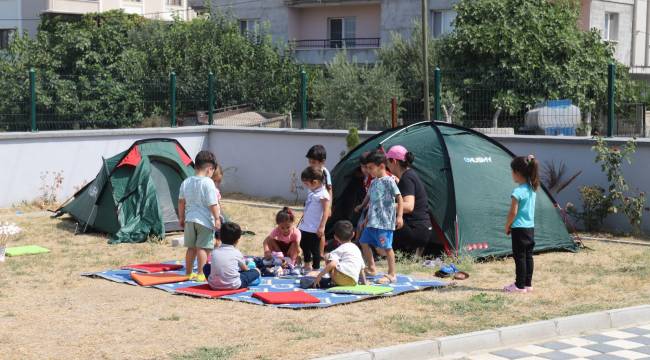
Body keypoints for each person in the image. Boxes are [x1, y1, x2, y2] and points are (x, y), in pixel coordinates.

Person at [357, 150, 403, 284]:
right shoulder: (373, 182)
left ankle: (392, 274)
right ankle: (371, 268)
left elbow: (399, 199)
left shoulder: (390, 181)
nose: (368, 170)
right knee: (363, 241)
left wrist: (399, 216)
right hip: (372, 221)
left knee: (387, 247)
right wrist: (363, 210)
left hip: (384, 222)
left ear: (381, 166)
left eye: (371, 168)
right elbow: (370, 199)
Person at [178, 151, 221, 282]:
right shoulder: (208, 183)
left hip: (190, 220)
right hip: (205, 221)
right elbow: (212, 203)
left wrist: (181, 217)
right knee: (203, 248)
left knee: (191, 248)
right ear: (210, 169)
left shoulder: (186, 182)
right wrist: (217, 218)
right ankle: (201, 273)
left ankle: (188, 273)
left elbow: (181, 201)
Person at [385, 145, 435, 256]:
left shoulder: (407, 178)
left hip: (416, 230)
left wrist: (385, 205)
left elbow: (409, 206)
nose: (386, 165)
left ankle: (381, 251)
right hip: (422, 229)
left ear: (394, 161)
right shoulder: (409, 175)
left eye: (387, 162)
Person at [504, 155, 539, 293]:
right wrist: (530, 159)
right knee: (528, 256)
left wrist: (507, 225)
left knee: (519, 257)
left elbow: (513, 213)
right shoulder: (532, 188)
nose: (511, 174)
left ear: (517, 173)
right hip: (530, 228)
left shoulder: (517, 191)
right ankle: (527, 284)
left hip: (519, 228)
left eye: (512, 171)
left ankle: (519, 285)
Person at [204, 222, 260, 290]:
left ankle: (217, 281)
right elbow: (245, 269)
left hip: (213, 286)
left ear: (220, 237)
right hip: (233, 285)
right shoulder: (236, 253)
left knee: (206, 267)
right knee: (256, 271)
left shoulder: (214, 252)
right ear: (237, 240)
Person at [313, 220, 366, 288]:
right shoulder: (356, 249)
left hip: (340, 278)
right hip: (353, 281)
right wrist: (364, 283)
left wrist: (319, 276)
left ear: (335, 237)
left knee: (328, 256)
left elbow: (333, 264)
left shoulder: (341, 248)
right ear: (353, 234)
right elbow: (361, 268)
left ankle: (332, 281)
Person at [298, 166, 331, 271]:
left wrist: (322, 227)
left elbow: (326, 211)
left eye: (307, 184)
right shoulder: (312, 192)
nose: (306, 186)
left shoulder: (323, 194)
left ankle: (316, 268)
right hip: (305, 226)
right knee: (303, 245)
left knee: (315, 249)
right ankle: (307, 264)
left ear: (315, 182)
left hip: (314, 228)